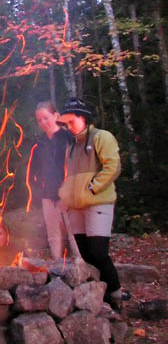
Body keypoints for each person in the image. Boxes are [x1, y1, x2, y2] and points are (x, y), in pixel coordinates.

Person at [57, 98, 128, 310]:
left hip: (98, 204)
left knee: (98, 252)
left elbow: (112, 167)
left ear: (83, 117)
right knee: (85, 254)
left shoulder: (101, 137)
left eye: (71, 121)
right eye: (66, 123)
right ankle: (98, 295)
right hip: (76, 207)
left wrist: (92, 188)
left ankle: (115, 294)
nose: (68, 126)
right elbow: (69, 178)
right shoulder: (72, 147)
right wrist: (65, 197)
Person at [28, 101, 75, 258]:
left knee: (75, 234)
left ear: (56, 115)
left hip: (71, 196)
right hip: (48, 196)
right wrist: (40, 187)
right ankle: (59, 272)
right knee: (54, 237)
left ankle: (83, 269)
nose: (43, 122)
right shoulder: (39, 145)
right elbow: (32, 172)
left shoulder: (70, 139)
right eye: (39, 120)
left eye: (46, 118)